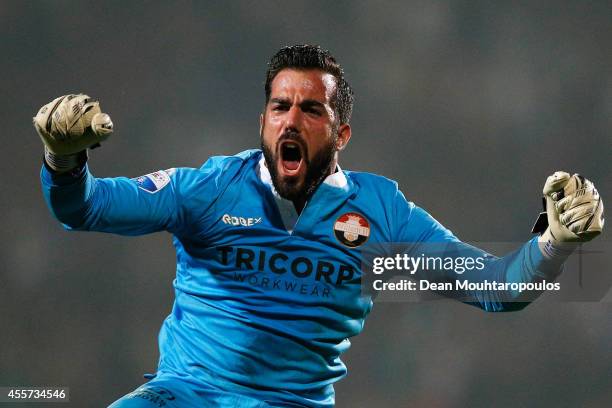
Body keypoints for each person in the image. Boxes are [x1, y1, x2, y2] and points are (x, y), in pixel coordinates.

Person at [35, 45, 604, 408]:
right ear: (262, 120)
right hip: (186, 396)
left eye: (312, 110)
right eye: (280, 106)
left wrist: (553, 243)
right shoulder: (209, 189)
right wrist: (64, 161)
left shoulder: (380, 212)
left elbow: (497, 288)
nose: (292, 119)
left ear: (341, 134)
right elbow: (84, 208)